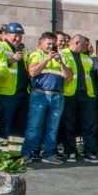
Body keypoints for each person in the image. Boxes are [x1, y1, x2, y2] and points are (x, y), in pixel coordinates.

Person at [22, 32, 73, 164]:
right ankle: (28, 153)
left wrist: (60, 61)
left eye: (53, 44)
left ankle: (49, 154)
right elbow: (32, 72)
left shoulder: (62, 57)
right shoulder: (36, 55)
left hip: (57, 96)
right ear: (41, 43)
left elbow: (69, 75)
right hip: (39, 94)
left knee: (52, 128)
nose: (51, 46)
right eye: (48, 44)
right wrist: (46, 59)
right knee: (34, 125)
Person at [58, 35, 98, 163]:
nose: (86, 48)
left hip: (87, 94)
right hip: (70, 93)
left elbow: (92, 73)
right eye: (84, 46)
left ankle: (90, 153)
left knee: (89, 124)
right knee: (69, 124)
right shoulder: (63, 54)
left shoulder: (86, 58)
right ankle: (70, 151)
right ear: (76, 43)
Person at [0, 23, 30, 154]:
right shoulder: (0, 47)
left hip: (23, 93)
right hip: (7, 93)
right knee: (5, 125)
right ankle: (1, 156)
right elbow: (0, 65)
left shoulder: (23, 49)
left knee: (19, 127)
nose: (18, 39)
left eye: (20, 36)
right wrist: (11, 60)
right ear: (6, 35)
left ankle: (14, 155)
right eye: (15, 36)